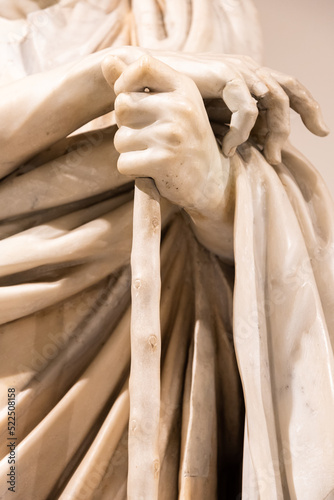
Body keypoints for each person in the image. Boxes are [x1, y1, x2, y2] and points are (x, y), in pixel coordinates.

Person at [0, 1, 333, 499]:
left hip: (151, 395)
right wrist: (106, 75)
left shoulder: (197, 13)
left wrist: (216, 191)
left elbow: (241, 236)